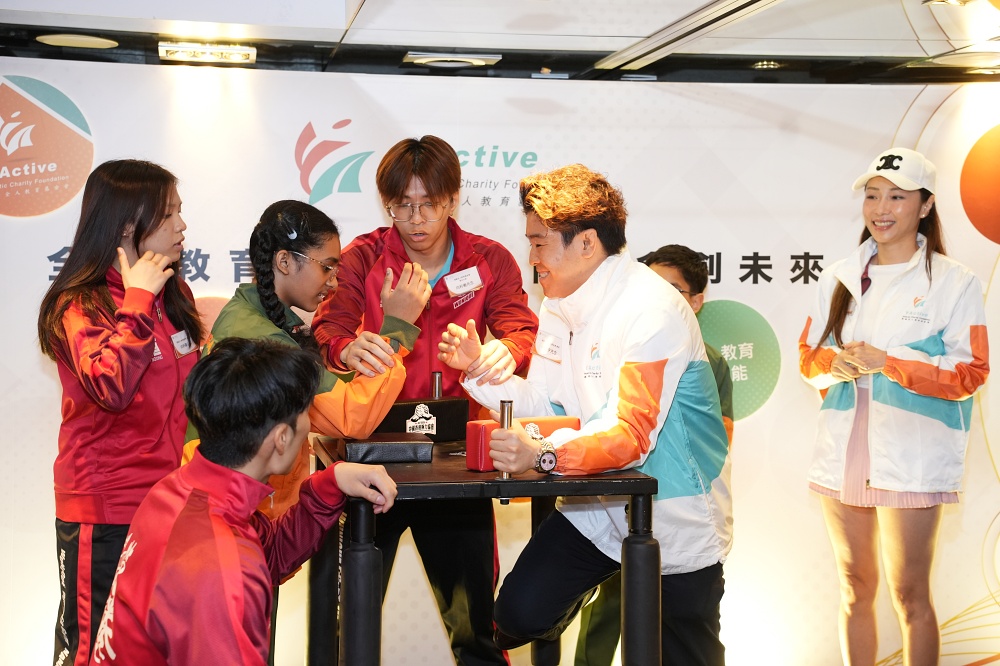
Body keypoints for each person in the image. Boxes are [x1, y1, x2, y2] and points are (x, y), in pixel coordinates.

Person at [438, 164, 733, 665]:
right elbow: (548, 407)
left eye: (539, 243)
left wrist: (543, 455)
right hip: (593, 505)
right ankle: (598, 584)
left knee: (684, 654)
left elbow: (631, 435)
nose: (532, 258)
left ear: (587, 243)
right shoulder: (558, 304)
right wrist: (477, 370)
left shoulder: (651, 309)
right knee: (516, 615)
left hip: (671, 513)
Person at [311, 135, 538, 665]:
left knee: (477, 629)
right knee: (350, 627)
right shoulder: (362, 257)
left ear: (453, 199)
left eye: (429, 204)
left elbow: (520, 329)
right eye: (402, 205)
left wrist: (504, 351)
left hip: (458, 462)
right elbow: (329, 331)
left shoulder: (489, 259)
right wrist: (346, 348)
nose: (415, 219)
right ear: (386, 205)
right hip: (374, 456)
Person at [89, 338, 398, 665]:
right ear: (281, 439)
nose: (309, 425)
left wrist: (329, 484)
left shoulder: (175, 491)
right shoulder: (219, 567)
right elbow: (236, 567)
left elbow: (266, 553)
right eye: (306, 414)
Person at [799, 147, 989, 665]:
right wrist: (834, 364)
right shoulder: (839, 276)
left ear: (925, 206)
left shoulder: (954, 281)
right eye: (873, 195)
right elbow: (808, 358)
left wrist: (889, 362)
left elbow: (971, 372)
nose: (881, 209)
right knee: (854, 586)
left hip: (912, 452)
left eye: (897, 197)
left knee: (910, 594)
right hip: (844, 448)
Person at [36, 159, 203, 666]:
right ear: (128, 225)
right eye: (169, 214)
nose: (182, 225)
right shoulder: (79, 304)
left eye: (180, 211)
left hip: (167, 500)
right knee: (93, 648)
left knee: (152, 645)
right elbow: (111, 386)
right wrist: (137, 299)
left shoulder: (174, 293)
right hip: (105, 509)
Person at [191, 199, 416, 517]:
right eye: (326, 267)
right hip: (236, 513)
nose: (334, 282)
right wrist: (398, 329)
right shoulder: (264, 339)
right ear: (284, 261)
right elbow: (352, 416)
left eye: (336, 270)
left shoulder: (252, 316)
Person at [575, 243, 735, 666]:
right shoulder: (617, 347)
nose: (658, 300)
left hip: (677, 513)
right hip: (617, 510)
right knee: (602, 619)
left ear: (695, 302)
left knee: (684, 632)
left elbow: (719, 440)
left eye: (673, 290)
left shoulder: (709, 361)